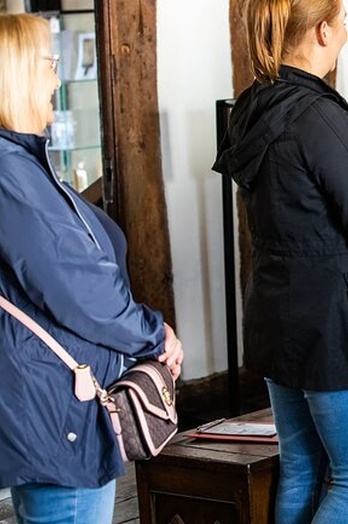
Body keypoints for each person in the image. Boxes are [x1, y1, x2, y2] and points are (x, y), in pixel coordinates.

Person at [211, 0, 348, 522]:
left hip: (278, 314)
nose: (346, 33)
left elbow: (305, 172)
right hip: (336, 321)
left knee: (302, 467)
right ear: (323, 31)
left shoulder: (256, 103)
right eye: (343, 23)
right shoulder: (319, 113)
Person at [0, 13, 183, 524]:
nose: (57, 79)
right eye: (49, 64)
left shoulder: (21, 165)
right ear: (17, 73)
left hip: (50, 402)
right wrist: (153, 335)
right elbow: (78, 286)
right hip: (60, 412)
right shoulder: (11, 172)